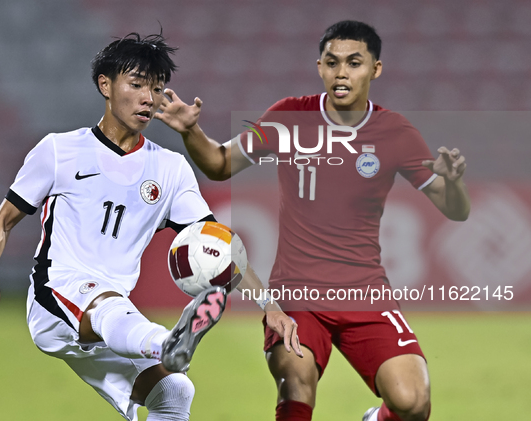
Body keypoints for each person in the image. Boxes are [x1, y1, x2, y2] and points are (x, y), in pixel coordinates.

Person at [0, 32, 300, 421]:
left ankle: (168, 346)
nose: (148, 98)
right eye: (137, 84)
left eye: (157, 89)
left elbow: (220, 246)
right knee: (113, 311)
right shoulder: (59, 150)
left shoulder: (170, 169)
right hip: (57, 297)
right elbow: (2, 220)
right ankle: (167, 343)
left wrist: (269, 305)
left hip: (116, 318)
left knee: (174, 392)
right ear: (105, 85)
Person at [155, 21, 470, 421]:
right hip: (296, 295)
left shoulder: (396, 133)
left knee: (413, 402)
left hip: (365, 293)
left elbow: (455, 209)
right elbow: (219, 163)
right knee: (296, 383)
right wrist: (190, 130)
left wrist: (455, 183)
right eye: (332, 62)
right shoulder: (288, 117)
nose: (341, 72)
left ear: (375, 69)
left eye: (354, 63)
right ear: (319, 66)